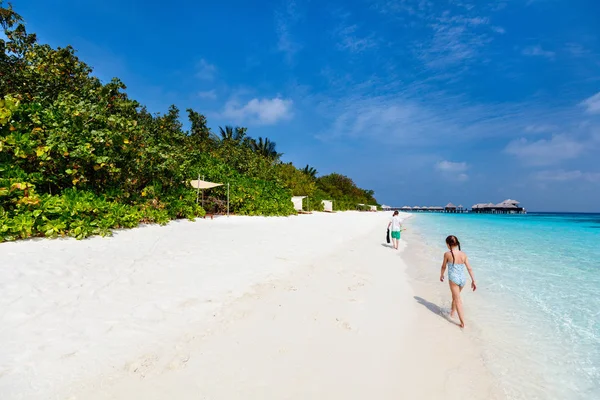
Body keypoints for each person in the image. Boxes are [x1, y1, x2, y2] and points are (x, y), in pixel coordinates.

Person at [439, 235, 476, 328]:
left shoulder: (447, 254)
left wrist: (441, 274)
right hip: (462, 279)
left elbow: (443, 266)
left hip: (454, 279)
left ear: (448, 244)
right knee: (455, 297)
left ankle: (462, 323)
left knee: (457, 300)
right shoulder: (463, 254)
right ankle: (452, 312)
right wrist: (473, 280)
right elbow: (469, 268)